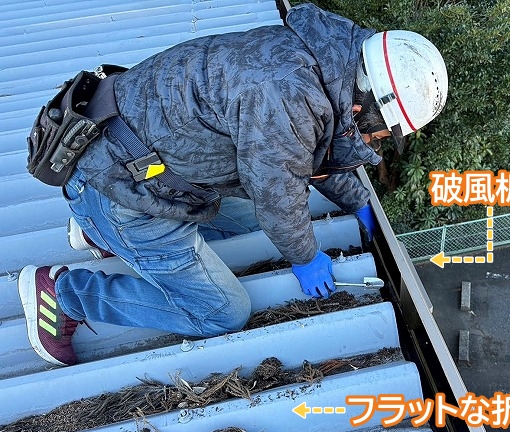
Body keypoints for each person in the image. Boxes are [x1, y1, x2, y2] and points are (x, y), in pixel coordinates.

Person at [18, 3, 448, 367]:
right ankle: (65, 294)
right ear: (365, 104)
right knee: (223, 313)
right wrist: (305, 257)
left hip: (135, 164)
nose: (373, 139)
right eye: (377, 130)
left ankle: (98, 231)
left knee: (246, 220)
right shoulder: (286, 98)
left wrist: (358, 203)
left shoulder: (319, 60)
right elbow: (280, 196)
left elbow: (316, 153)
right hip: (120, 188)